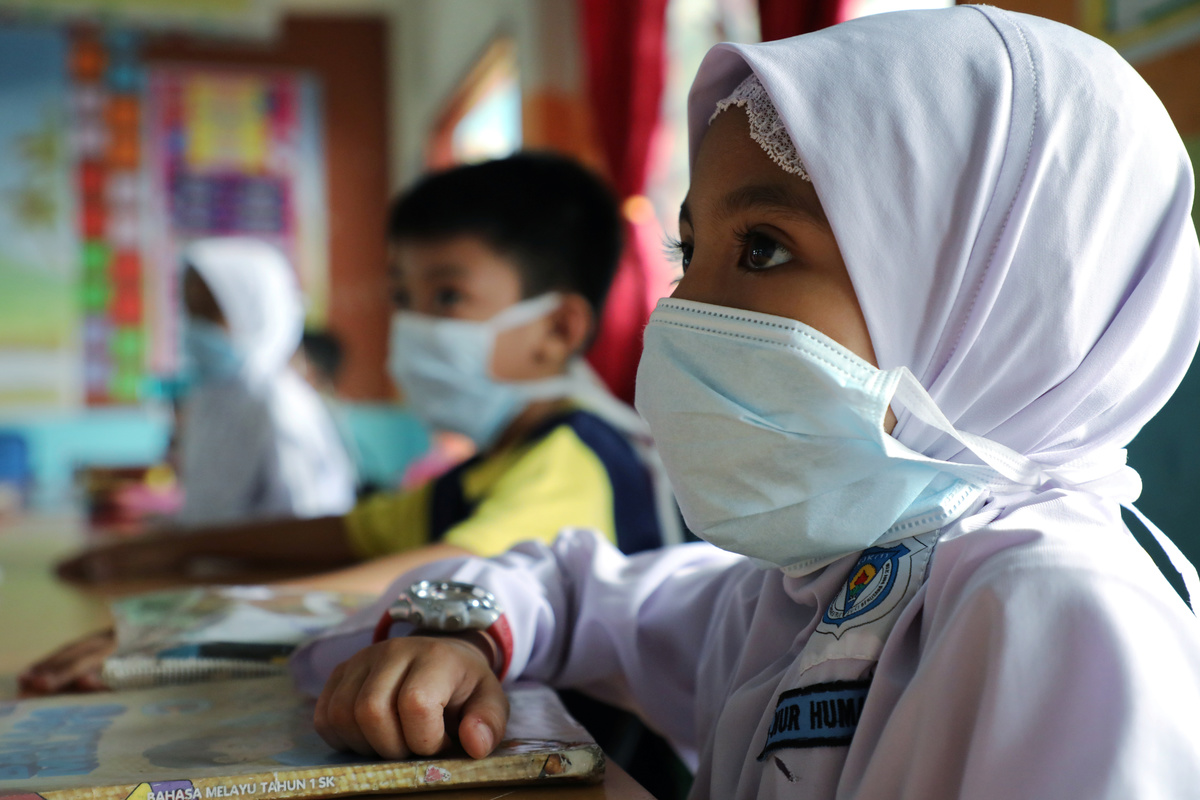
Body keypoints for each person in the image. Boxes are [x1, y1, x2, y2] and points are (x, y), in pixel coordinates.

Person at [294, 7, 1200, 797]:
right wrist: (462, 632)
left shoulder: (1062, 618)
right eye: (689, 253)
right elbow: (573, 588)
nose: (684, 311)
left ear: (997, 301)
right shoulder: (820, 581)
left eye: (762, 247)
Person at [25, 153, 678, 694]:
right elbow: (354, 532)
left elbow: (451, 577)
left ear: (557, 328)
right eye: (403, 296)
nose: (412, 324)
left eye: (447, 296)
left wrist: (200, 618)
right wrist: (170, 549)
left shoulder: (576, 456)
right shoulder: (497, 462)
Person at [175, 237, 356, 526]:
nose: (197, 326)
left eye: (210, 310)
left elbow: (304, 528)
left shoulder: (279, 406)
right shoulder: (207, 400)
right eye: (191, 310)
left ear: (255, 311)